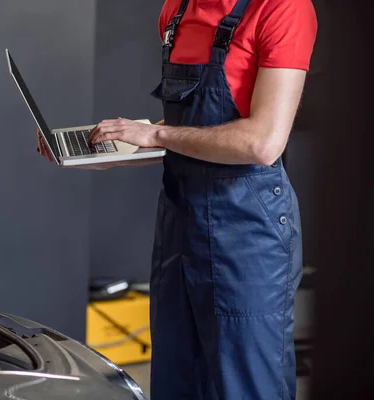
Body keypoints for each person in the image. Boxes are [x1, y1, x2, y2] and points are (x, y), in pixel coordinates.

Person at [38, 0, 317, 398]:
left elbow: (262, 142)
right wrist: (114, 150)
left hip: (248, 229)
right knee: (176, 380)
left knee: (246, 386)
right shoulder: (177, 10)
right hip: (180, 221)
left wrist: (154, 135)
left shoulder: (281, 9)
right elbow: (194, 129)